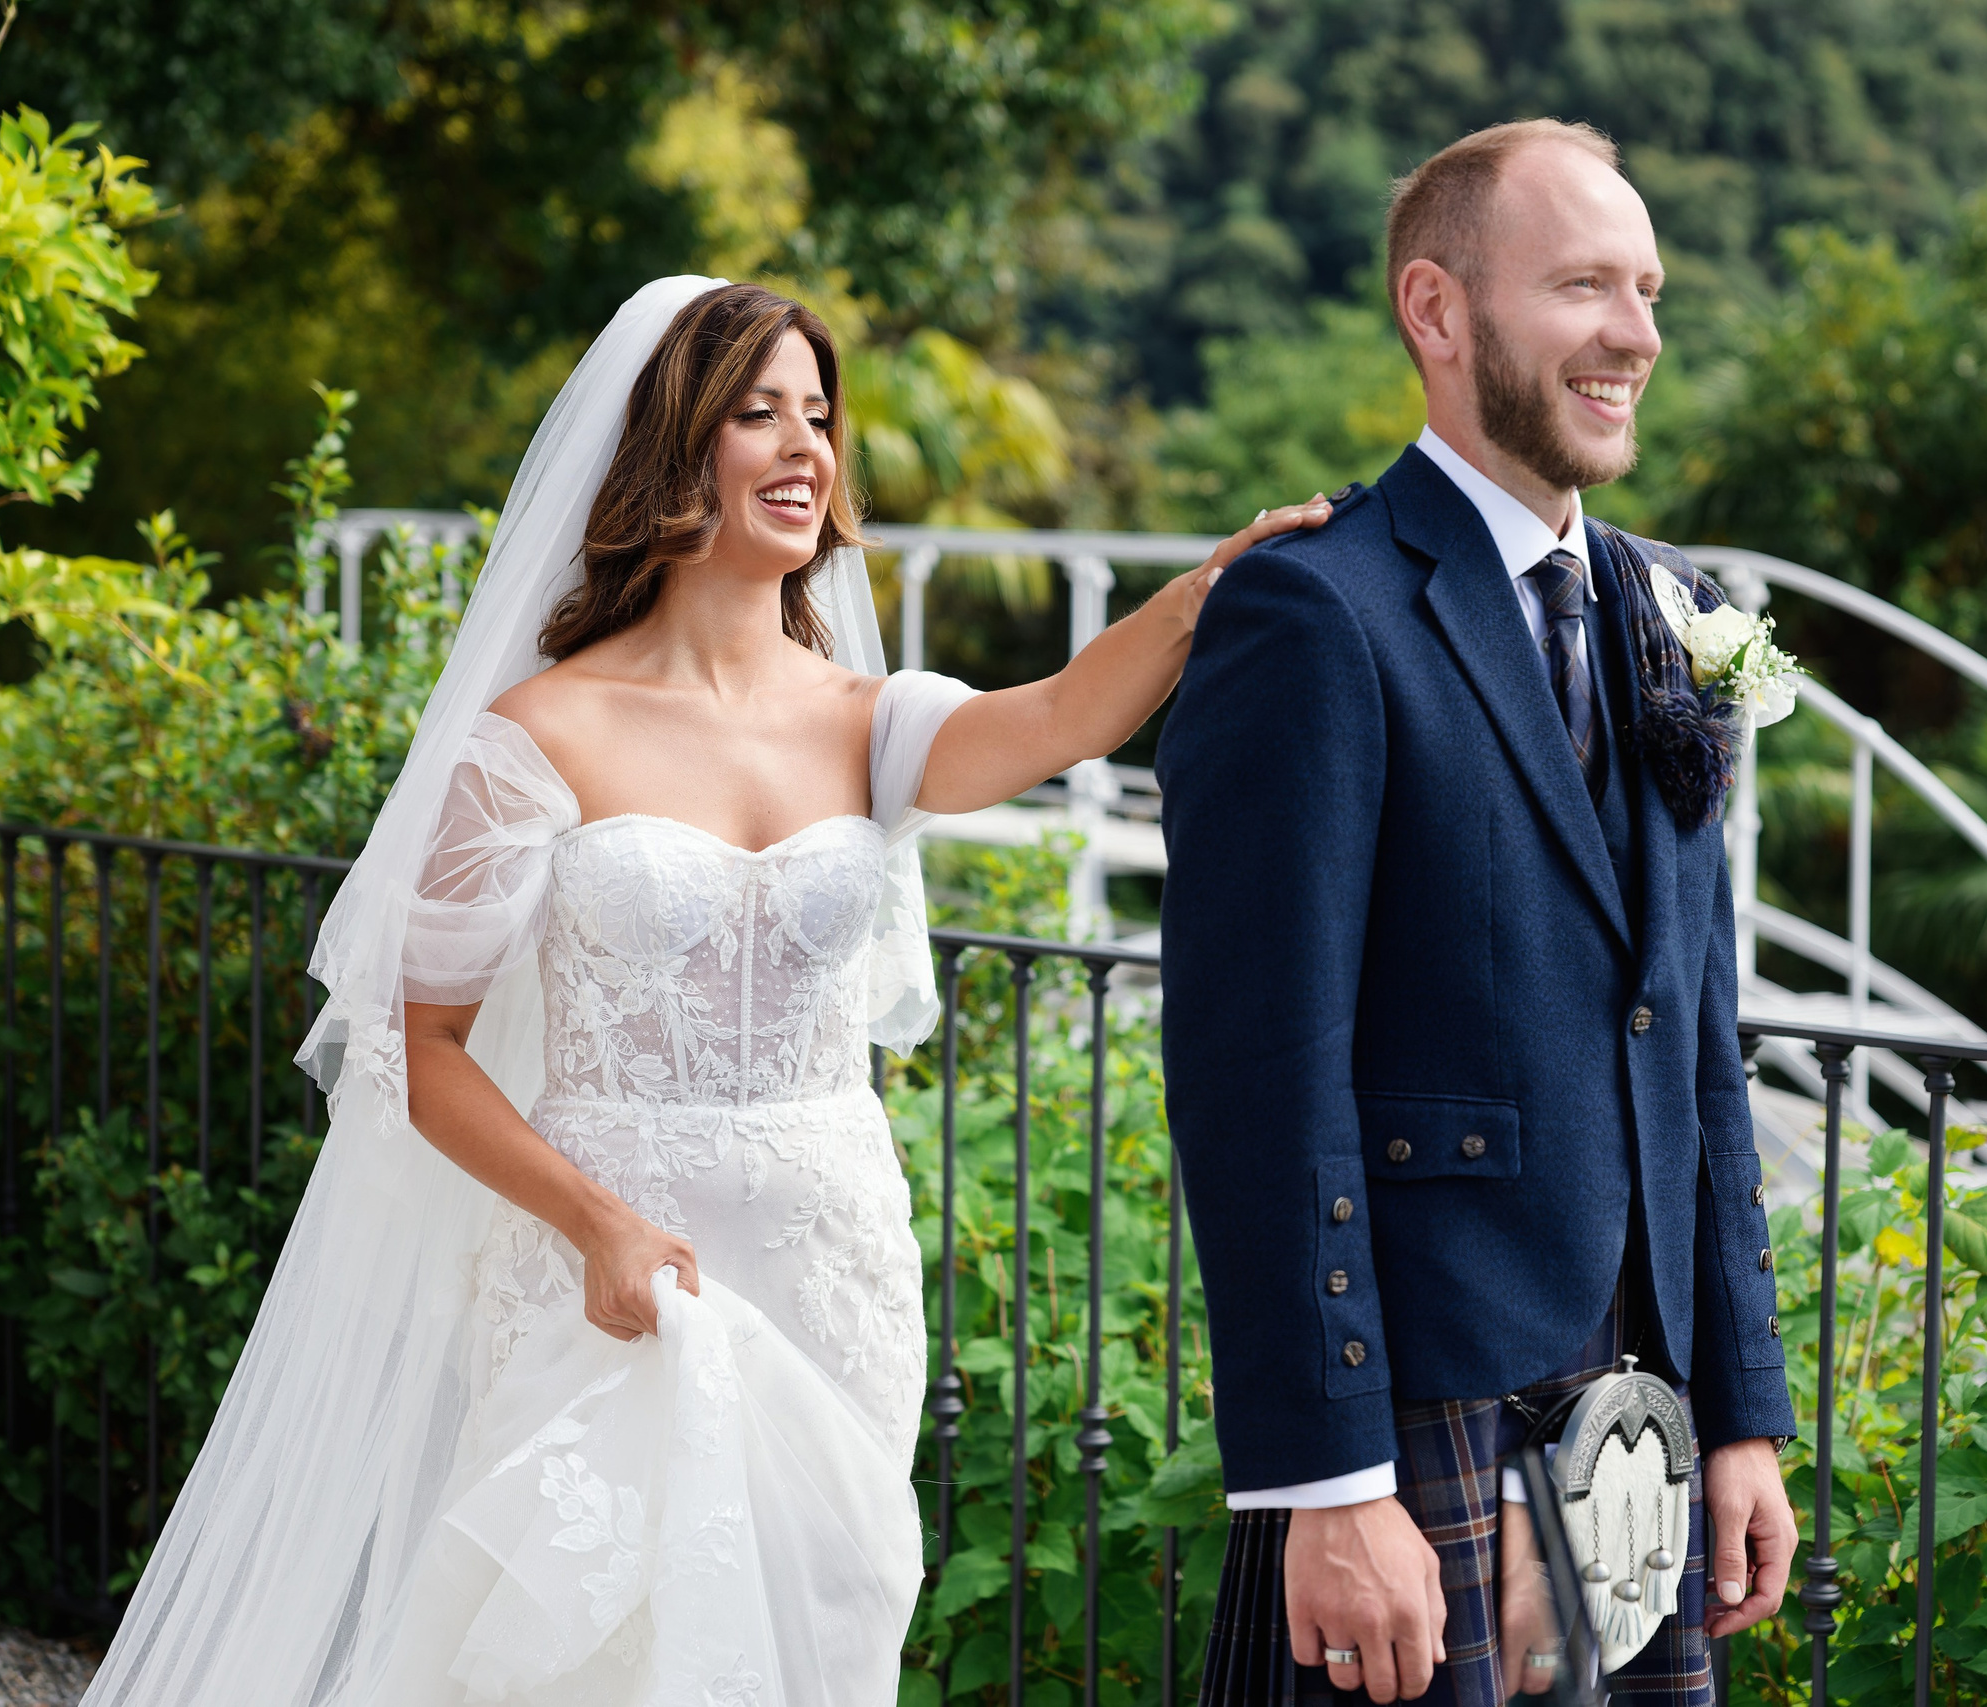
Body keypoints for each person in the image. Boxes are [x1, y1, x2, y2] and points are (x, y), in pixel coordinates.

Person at [80, 277, 1327, 1707]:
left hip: (830, 1265)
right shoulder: (537, 733)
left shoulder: (869, 720)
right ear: (677, 447)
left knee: (822, 1635)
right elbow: (420, 1052)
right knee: (585, 1654)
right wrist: (599, 1223)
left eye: (820, 416)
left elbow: (1054, 718)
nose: (807, 448)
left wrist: (1199, 595)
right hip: (602, 1280)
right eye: (759, 414)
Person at [1157, 120, 1799, 1707]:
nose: (1638, 335)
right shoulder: (1311, 612)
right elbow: (1259, 1076)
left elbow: (1696, 1038)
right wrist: (1326, 1484)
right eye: (1584, 284)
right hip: (1424, 1411)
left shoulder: (1687, 613)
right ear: (1436, 312)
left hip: (1639, 1425)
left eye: (1647, 290)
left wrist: (1743, 1413)